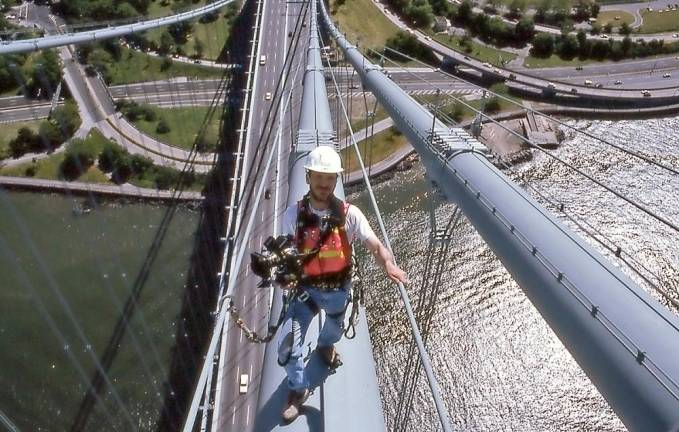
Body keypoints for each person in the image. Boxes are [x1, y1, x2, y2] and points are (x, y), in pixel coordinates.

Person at [277, 145, 408, 423]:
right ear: (308, 176)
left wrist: (388, 264)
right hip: (306, 292)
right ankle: (298, 389)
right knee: (287, 349)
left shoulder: (351, 215)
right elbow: (287, 253)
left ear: (336, 180)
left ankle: (325, 346)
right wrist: (286, 276)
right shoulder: (292, 216)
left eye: (329, 179)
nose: (324, 184)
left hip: (337, 291)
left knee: (332, 332)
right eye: (319, 178)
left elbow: (374, 245)